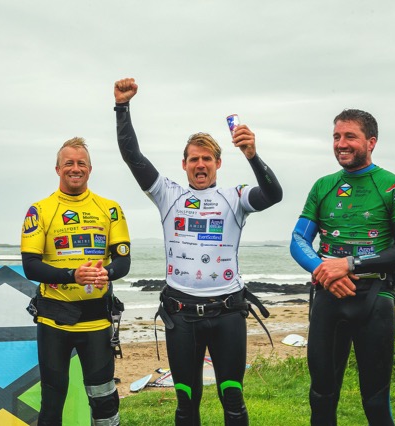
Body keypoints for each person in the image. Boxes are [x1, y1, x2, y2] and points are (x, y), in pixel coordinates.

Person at [113, 77, 283, 425]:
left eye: (207, 159)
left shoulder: (235, 197)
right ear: (184, 164)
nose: (200, 164)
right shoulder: (168, 195)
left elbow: (273, 194)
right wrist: (122, 107)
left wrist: (252, 156)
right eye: (194, 159)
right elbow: (132, 156)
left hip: (227, 313)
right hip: (181, 316)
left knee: (233, 398)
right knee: (186, 402)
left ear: (218, 163)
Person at [290, 109, 395, 425]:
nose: (341, 143)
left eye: (350, 136)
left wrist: (349, 264)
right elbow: (298, 239)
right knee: (321, 397)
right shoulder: (323, 186)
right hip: (328, 297)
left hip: (374, 298)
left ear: (371, 142)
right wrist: (325, 272)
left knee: (375, 400)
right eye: (336, 136)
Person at [21, 137, 131, 426]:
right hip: (54, 322)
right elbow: (30, 266)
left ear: (90, 169)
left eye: (81, 163)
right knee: (52, 399)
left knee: (104, 399)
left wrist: (106, 273)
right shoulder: (40, 210)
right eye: (68, 163)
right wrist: (72, 276)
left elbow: (123, 262)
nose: (75, 168)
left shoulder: (110, 208)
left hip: (97, 323)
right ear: (58, 169)